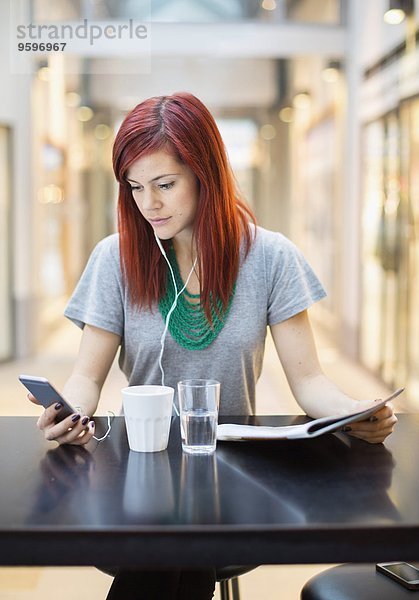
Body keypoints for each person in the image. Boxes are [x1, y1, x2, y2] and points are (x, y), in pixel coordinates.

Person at [29, 92, 397, 598]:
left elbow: (310, 381)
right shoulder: (116, 258)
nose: (148, 204)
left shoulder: (269, 257)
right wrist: (69, 414)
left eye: (164, 184)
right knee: (167, 550)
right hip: (143, 466)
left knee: (167, 553)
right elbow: (88, 377)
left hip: (234, 475)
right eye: (134, 187)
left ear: (207, 173)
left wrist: (357, 412)